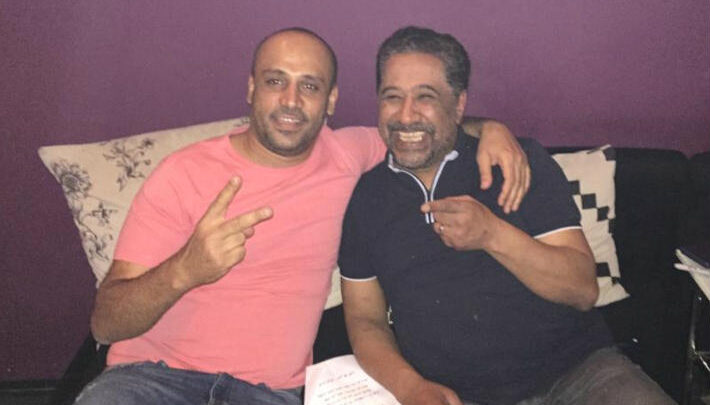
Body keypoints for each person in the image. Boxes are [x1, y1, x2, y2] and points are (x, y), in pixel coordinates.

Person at [74, 27, 529, 405]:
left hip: (269, 393)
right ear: (251, 89)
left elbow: (420, 129)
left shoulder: (348, 154)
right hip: (152, 382)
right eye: (276, 81)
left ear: (330, 101)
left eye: (309, 86)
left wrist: (493, 129)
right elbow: (106, 324)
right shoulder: (183, 173)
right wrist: (184, 270)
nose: (291, 101)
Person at [339, 26, 676, 405]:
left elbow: (582, 290)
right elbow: (365, 319)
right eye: (392, 97)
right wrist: (410, 387)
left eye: (425, 97)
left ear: (459, 105)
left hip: (577, 374)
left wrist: (492, 235)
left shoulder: (517, 161)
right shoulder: (366, 198)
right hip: (456, 394)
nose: (405, 115)